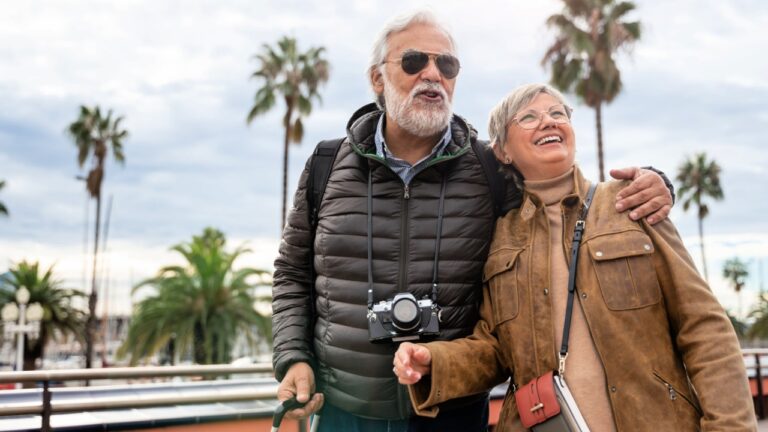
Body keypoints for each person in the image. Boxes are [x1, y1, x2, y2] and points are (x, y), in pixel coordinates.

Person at [272, 11, 674, 432]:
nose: (432, 74)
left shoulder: (488, 167)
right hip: (342, 412)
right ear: (378, 78)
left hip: (455, 413)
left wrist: (654, 181)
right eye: (414, 62)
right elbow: (292, 274)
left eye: (446, 65)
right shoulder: (326, 164)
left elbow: (568, 205)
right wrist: (293, 357)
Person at [393, 83, 756, 431]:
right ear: (502, 150)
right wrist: (435, 363)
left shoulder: (629, 203)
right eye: (529, 117)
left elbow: (704, 329)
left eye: (557, 113)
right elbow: (495, 349)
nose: (549, 121)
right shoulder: (501, 238)